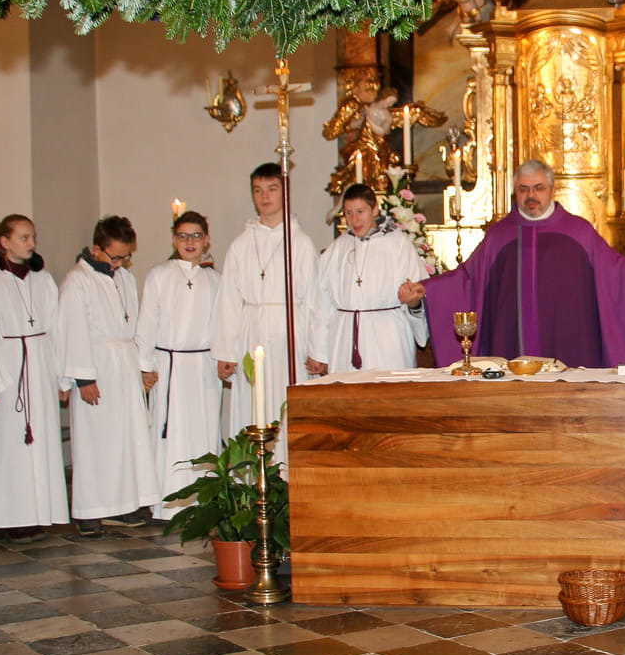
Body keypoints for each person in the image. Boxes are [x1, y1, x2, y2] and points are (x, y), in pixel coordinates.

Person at [424, 160, 625, 369]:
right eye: (523, 189)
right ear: (515, 192)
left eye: (538, 188)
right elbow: (467, 278)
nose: (531, 196)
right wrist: (427, 289)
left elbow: (616, 271)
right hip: (511, 347)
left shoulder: (578, 231)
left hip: (570, 343)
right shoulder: (499, 235)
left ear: (552, 190)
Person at [58, 215, 158, 535]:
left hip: (124, 366)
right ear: (96, 248)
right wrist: (83, 378)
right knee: (96, 441)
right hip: (97, 367)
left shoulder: (124, 278)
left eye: (126, 257)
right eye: (115, 257)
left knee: (126, 439)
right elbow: (72, 330)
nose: (120, 263)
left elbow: (135, 323)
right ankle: (90, 510)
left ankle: (124, 504)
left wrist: (142, 366)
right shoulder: (77, 281)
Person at [0, 215, 68, 541]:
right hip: (7, 369)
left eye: (33, 237)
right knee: (10, 445)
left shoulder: (42, 278)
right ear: (4, 241)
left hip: (40, 365)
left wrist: (61, 378)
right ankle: (10, 514)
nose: (31, 243)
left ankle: (40, 510)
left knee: (40, 441)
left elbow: (56, 328)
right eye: (24, 237)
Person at [214, 163, 320, 440]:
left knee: (287, 403)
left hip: (290, 335)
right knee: (253, 404)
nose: (264, 196)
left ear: (285, 192)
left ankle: (286, 466)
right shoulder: (240, 245)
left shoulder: (300, 243)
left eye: (272, 189)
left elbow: (314, 300)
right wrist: (225, 350)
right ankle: (252, 465)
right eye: (258, 190)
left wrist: (317, 349)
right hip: (251, 333)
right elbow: (229, 300)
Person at [134, 211, 224, 520]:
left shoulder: (215, 280)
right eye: (183, 236)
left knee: (203, 431)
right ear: (174, 239)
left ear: (206, 240)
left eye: (196, 235)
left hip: (203, 367)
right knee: (168, 434)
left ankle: (203, 503)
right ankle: (166, 504)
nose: (190, 242)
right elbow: (147, 321)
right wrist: (144, 365)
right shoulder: (159, 275)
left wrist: (224, 357)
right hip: (169, 364)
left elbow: (222, 324)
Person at [310, 185, 429, 375]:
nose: (354, 219)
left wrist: (413, 301)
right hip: (344, 338)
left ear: (374, 210)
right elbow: (321, 303)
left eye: (360, 211)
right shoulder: (338, 248)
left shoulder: (398, 244)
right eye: (348, 213)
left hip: (389, 338)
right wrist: (319, 352)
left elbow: (419, 291)